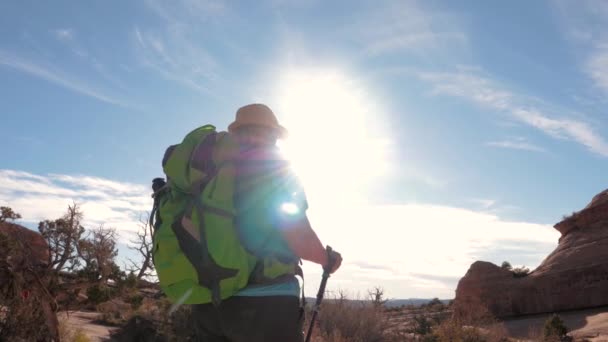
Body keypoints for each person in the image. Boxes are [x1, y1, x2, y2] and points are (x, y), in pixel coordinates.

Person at [191, 104, 342, 342]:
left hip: (209, 301)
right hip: (265, 303)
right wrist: (327, 260)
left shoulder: (211, 175)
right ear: (271, 134)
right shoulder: (275, 173)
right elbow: (299, 236)